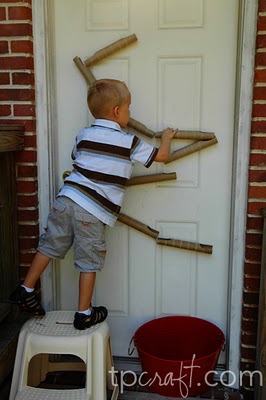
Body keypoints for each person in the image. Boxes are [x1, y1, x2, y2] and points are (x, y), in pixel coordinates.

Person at [10, 79, 177, 330]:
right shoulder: (128, 142)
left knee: (50, 244)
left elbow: (77, 158)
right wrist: (166, 137)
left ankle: (26, 288)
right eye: (129, 107)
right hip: (92, 210)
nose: (131, 113)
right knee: (89, 260)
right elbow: (162, 156)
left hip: (65, 200)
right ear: (118, 112)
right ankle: (84, 313)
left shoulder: (84, 135)